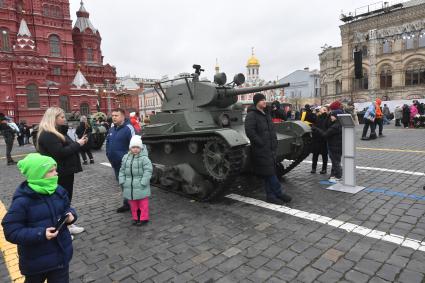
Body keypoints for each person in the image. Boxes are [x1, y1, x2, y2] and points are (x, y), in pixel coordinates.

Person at [2, 153, 77, 282]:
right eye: (51, 171)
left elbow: (67, 208)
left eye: (55, 170)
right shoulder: (22, 201)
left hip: (61, 258)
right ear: (39, 174)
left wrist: (72, 215)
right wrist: (40, 234)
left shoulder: (58, 190)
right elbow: (11, 231)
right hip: (36, 263)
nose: (56, 173)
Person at [37, 107, 86, 235]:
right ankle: (61, 230)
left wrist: (77, 143)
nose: (65, 119)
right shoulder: (48, 134)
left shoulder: (56, 132)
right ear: (53, 118)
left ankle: (68, 225)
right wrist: (78, 144)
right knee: (59, 201)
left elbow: (65, 147)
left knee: (65, 199)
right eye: (62, 117)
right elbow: (60, 153)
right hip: (59, 172)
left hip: (65, 171)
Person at [245, 93, 292, 205]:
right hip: (261, 148)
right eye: (262, 100)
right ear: (257, 102)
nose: (264, 102)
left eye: (265, 100)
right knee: (270, 173)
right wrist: (260, 143)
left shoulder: (266, 114)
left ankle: (270, 196)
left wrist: (274, 142)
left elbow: (279, 120)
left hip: (270, 147)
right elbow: (250, 132)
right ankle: (279, 192)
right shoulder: (252, 115)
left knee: (268, 172)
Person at [106, 108, 135, 213]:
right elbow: (108, 144)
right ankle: (127, 203)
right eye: (113, 115)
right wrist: (109, 156)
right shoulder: (112, 129)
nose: (113, 117)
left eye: (116, 115)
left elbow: (135, 146)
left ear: (123, 116)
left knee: (129, 185)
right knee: (122, 184)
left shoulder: (128, 128)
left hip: (126, 164)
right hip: (115, 163)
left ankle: (136, 206)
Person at [119, 136, 153, 225]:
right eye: (133, 147)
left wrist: (143, 182)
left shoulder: (144, 158)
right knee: (133, 204)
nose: (135, 149)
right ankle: (136, 218)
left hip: (141, 185)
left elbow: (148, 171)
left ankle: (143, 218)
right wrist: (122, 180)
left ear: (140, 148)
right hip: (129, 186)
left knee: (143, 204)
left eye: (137, 147)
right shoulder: (125, 157)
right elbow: (122, 170)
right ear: (130, 148)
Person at [312, 108, 343, 182]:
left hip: (334, 146)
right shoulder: (340, 124)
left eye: (332, 115)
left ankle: (338, 176)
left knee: (335, 162)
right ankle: (335, 175)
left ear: (336, 116)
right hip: (338, 145)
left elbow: (325, 134)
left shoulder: (335, 126)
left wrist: (316, 129)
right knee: (336, 161)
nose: (331, 117)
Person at [311, 106, 328, 174]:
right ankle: (314, 168)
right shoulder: (317, 117)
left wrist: (315, 129)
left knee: (324, 155)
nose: (321, 110)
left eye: (323, 109)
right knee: (315, 155)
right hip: (316, 139)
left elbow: (325, 128)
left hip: (323, 139)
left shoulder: (327, 118)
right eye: (321, 109)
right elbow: (313, 125)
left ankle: (324, 169)